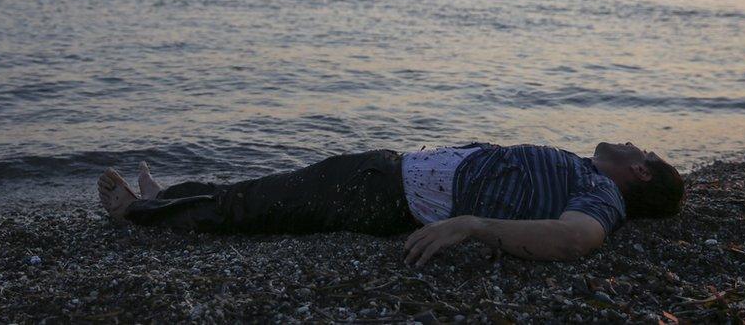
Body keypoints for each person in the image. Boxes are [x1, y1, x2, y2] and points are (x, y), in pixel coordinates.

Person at [97, 142, 684, 264]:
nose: (637, 143)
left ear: (640, 170)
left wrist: (472, 226)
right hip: (391, 175)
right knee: (266, 192)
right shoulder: (586, 172)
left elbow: (580, 238)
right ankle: (164, 200)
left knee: (262, 204)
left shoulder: (603, 193)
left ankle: (138, 215)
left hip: (388, 192)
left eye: (646, 151)